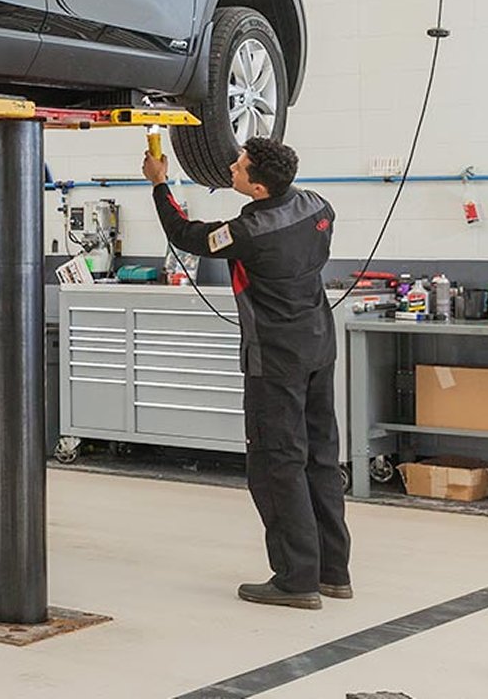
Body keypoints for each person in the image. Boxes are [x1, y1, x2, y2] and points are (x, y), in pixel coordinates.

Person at [143, 136, 349, 610]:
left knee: (278, 464)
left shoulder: (249, 231)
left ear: (256, 186)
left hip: (276, 360)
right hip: (319, 347)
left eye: (239, 165)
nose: (232, 166)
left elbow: (186, 234)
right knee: (320, 457)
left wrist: (160, 184)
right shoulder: (318, 205)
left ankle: (297, 580)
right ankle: (333, 571)